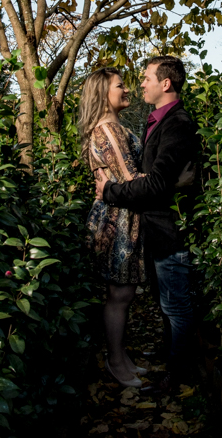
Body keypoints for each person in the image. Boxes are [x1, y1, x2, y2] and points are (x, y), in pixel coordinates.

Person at [95, 55, 201, 396]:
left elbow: (156, 184)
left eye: (145, 78)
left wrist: (110, 190)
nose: (140, 83)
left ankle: (177, 374)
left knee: (176, 305)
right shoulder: (156, 120)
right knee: (166, 301)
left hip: (169, 230)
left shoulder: (177, 123)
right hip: (154, 229)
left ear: (165, 83)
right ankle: (172, 355)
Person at [78, 67, 150, 388]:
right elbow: (129, 180)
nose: (127, 90)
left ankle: (121, 356)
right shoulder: (107, 130)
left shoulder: (112, 127)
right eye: (120, 86)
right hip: (117, 219)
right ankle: (116, 362)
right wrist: (165, 179)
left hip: (120, 213)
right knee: (119, 294)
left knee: (121, 294)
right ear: (103, 94)